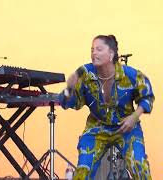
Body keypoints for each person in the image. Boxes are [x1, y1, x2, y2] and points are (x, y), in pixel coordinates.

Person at [59, 35, 154, 179]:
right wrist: (69, 89)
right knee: (83, 171)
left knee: (139, 166)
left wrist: (134, 117)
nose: (94, 53)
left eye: (99, 49)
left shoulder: (129, 74)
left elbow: (147, 95)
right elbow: (69, 103)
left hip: (126, 127)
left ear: (111, 54)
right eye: (92, 50)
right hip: (97, 127)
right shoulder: (84, 73)